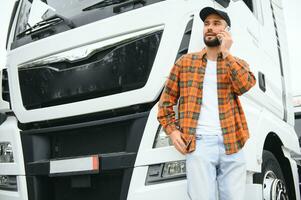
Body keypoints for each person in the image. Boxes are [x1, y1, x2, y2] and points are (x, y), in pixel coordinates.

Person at [157, 7, 256, 200]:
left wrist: (226, 52)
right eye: (206, 24)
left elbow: (244, 85)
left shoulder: (237, 62)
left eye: (216, 23)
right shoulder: (185, 63)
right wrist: (173, 130)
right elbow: (166, 103)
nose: (210, 28)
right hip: (199, 143)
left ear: (227, 31)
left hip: (232, 144)